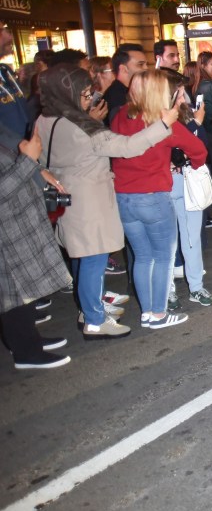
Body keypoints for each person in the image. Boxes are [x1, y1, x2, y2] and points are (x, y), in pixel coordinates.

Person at [36, 65, 177, 338]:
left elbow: (41, 158)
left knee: (84, 258)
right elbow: (127, 147)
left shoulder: (47, 119)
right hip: (90, 201)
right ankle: (94, 319)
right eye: (85, 93)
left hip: (68, 197)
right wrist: (164, 124)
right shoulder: (81, 127)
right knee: (93, 260)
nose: (89, 99)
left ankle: (90, 308)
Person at [111, 70, 207, 329]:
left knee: (142, 257)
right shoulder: (163, 122)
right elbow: (199, 150)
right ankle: (158, 314)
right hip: (153, 196)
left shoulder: (120, 116)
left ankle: (147, 312)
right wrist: (190, 163)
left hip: (123, 197)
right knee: (163, 257)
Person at [0, 127, 72, 369]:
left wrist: (35, 166)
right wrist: (28, 161)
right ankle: (25, 351)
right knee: (14, 294)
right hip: (6, 232)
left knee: (23, 293)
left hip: (13, 226)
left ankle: (27, 342)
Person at [166, 73, 212, 309]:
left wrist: (195, 124)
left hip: (187, 181)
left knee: (191, 238)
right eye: (180, 90)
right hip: (165, 184)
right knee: (167, 241)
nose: (184, 94)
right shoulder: (158, 119)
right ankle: (167, 291)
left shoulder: (183, 115)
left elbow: (200, 148)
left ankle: (196, 287)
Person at [103, 43, 147, 125]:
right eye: (140, 64)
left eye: (146, 64)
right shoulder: (116, 97)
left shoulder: (131, 92)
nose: (146, 68)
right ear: (123, 69)